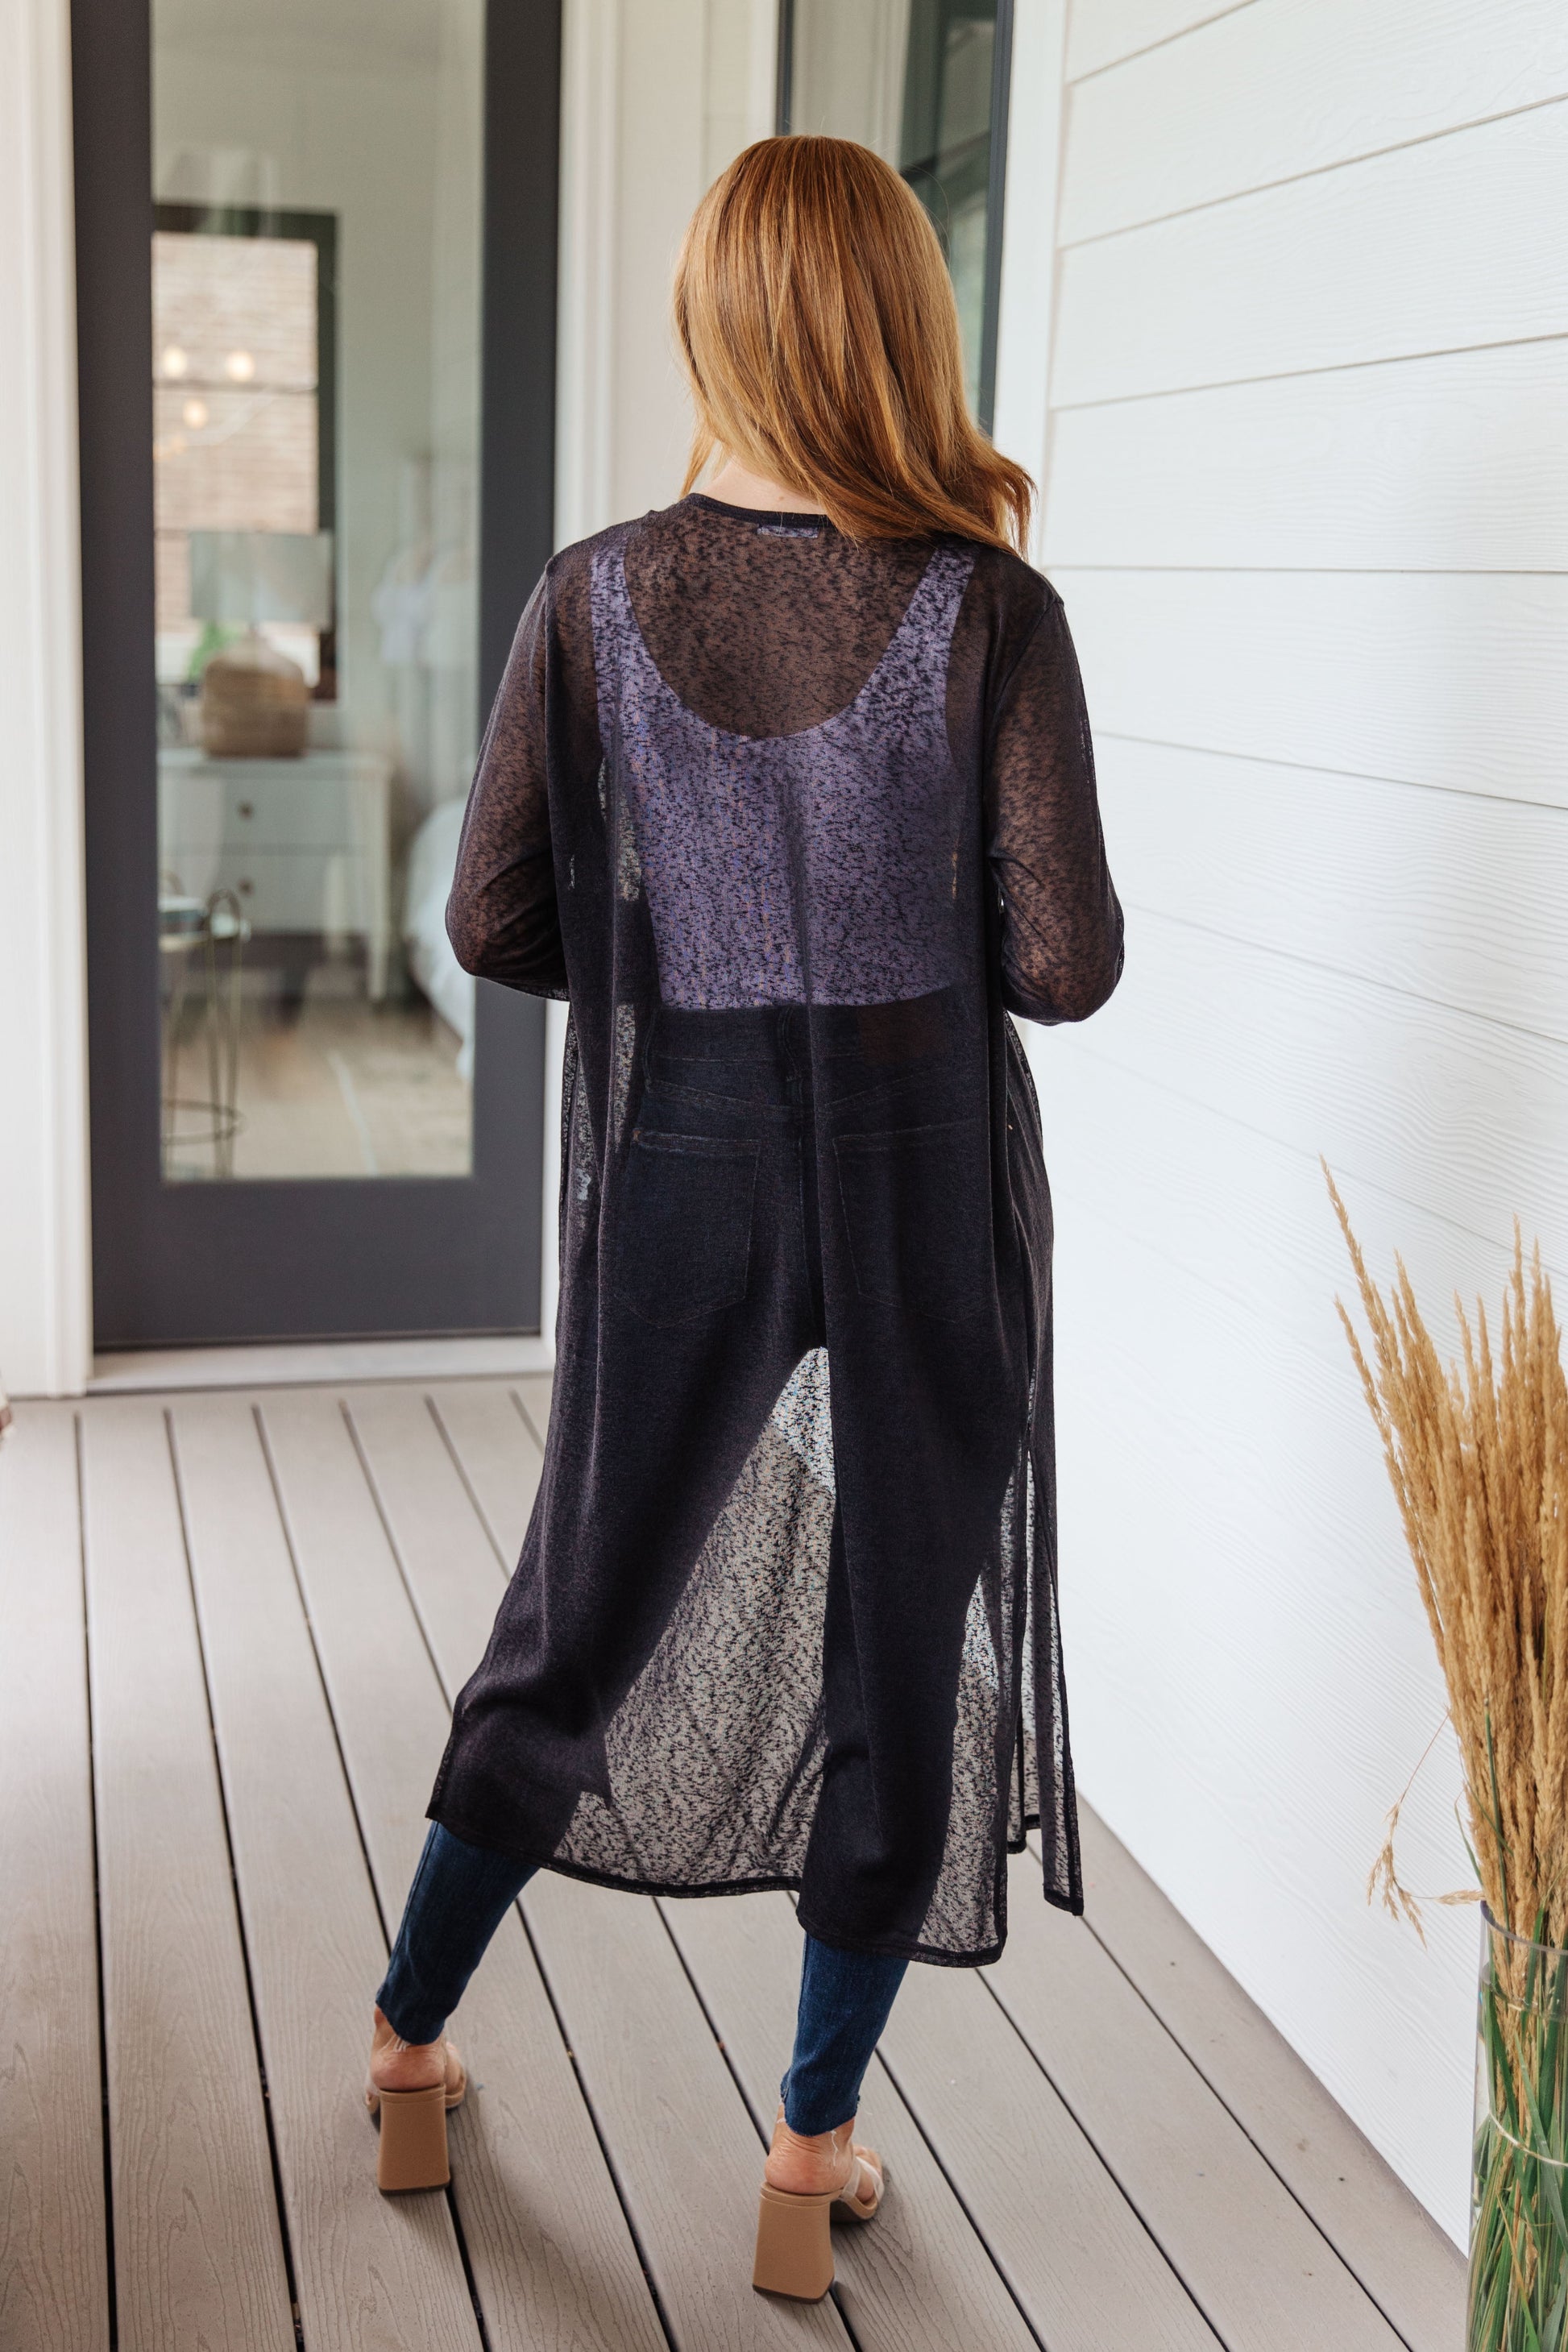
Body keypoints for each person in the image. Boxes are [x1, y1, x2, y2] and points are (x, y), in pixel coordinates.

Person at [361, 132, 1123, 2300]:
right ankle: (806, 2159)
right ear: (901, 323)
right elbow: (1062, 966)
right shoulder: (991, 612)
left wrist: (687, 932)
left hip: (684, 1162)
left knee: (576, 1612)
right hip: (913, 1183)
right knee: (902, 1639)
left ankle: (407, 2045)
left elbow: (492, 920)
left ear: (712, 320)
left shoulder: (594, 597)